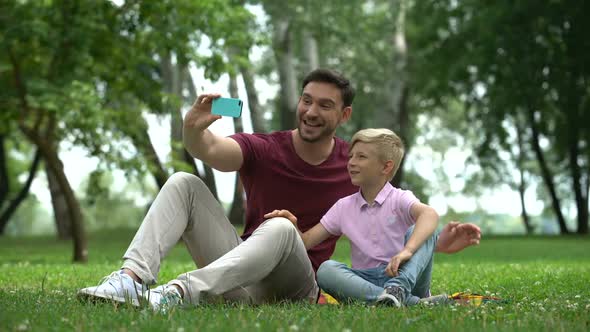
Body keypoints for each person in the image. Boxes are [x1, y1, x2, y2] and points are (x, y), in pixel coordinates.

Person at [77, 69, 480, 311]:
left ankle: (177, 293)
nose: (311, 111)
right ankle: (130, 279)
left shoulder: (355, 163)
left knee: (284, 229)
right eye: (307, 100)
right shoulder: (265, 147)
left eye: (325, 105)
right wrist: (193, 130)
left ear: (344, 115)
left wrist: (431, 246)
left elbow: (383, 219)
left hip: (295, 284)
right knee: (184, 183)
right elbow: (213, 150)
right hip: (236, 275)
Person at [264, 128, 481, 307]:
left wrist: (406, 252)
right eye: (350, 156)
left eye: (361, 157)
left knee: (423, 226)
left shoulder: (400, 198)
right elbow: (306, 242)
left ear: (386, 167)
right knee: (326, 270)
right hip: (365, 280)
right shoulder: (343, 207)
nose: (351, 162)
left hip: (406, 276)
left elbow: (430, 214)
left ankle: (399, 291)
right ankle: (411, 303)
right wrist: (289, 225)